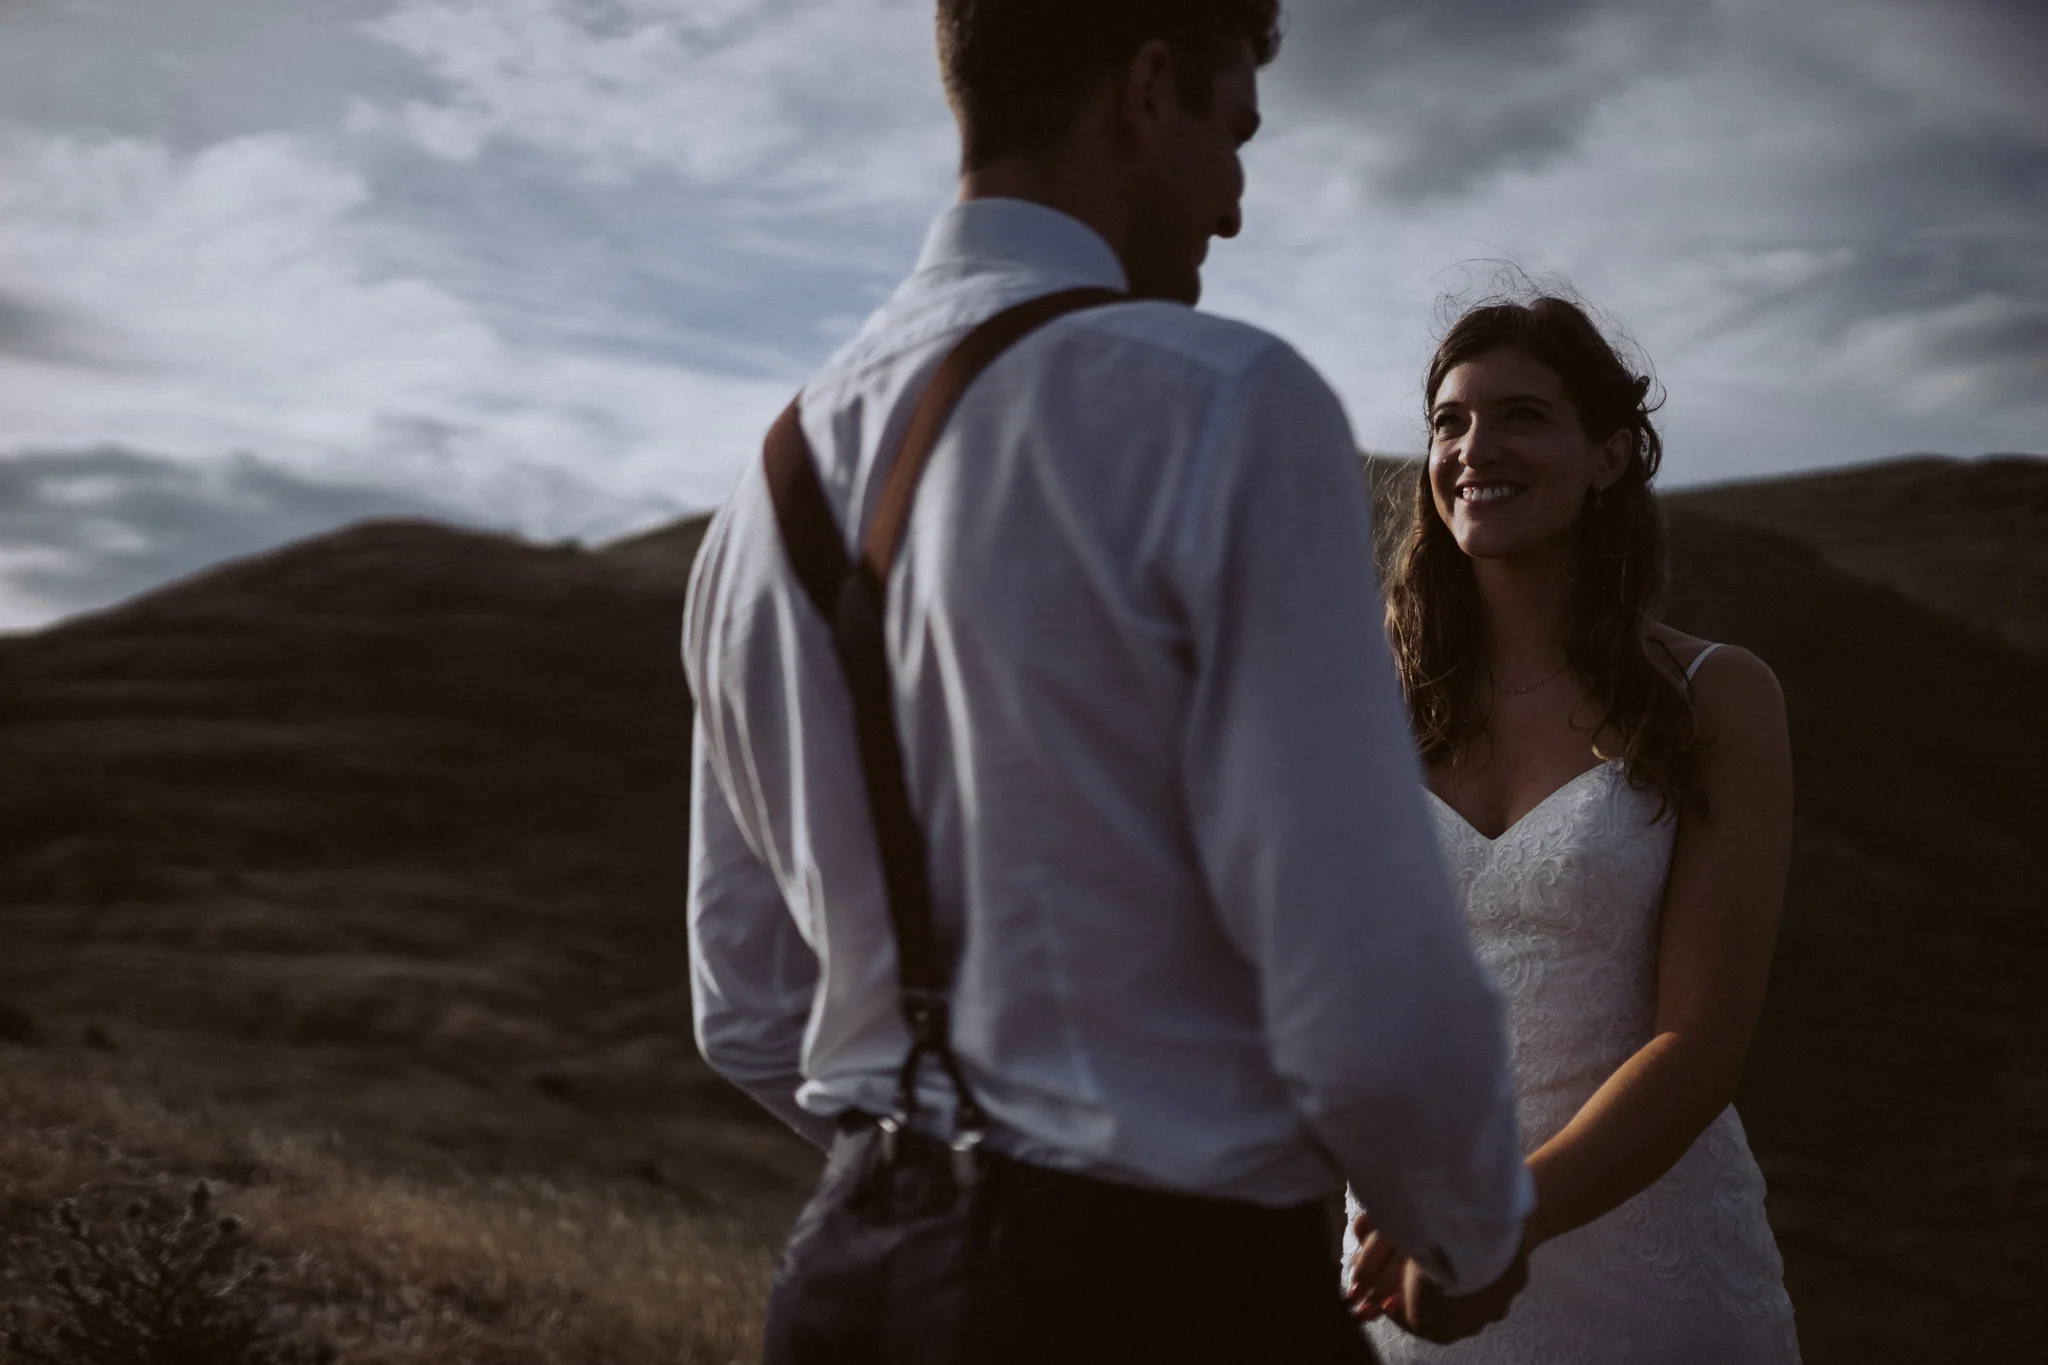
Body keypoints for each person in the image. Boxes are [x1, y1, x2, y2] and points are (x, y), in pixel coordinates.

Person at [683, 1, 1537, 1360]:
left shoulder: (766, 489)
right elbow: (1363, 986)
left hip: (845, 1289)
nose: (1235, 209)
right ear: (1149, 91)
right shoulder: (1218, 403)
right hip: (1159, 1292)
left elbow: (746, 1005)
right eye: (1234, 135)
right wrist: (1473, 1230)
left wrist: (935, 1170)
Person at [1343, 295, 1802, 1362]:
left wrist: (1496, 1216)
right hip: (1408, 1262)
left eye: (1519, 417)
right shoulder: (1360, 703)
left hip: (1645, 1269)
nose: (1472, 449)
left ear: (1606, 456)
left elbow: (1697, 1044)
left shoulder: (1713, 695)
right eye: (1448, 422)